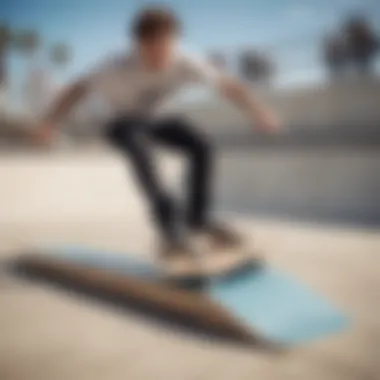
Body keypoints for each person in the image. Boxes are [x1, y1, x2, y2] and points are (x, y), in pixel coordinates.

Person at [35, 7, 279, 265]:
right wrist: (50, 123)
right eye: (153, 51)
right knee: (141, 151)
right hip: (121, 122)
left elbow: (227, 85)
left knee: (202, 145)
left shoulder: (185, 59)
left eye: (166, 48)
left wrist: (258, 112)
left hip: (157, 119)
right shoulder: (114, 65)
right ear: (138, 45)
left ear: (175, 41)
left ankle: (198, 220)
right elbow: (75, 89)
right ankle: (170, 231)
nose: (161, 57)